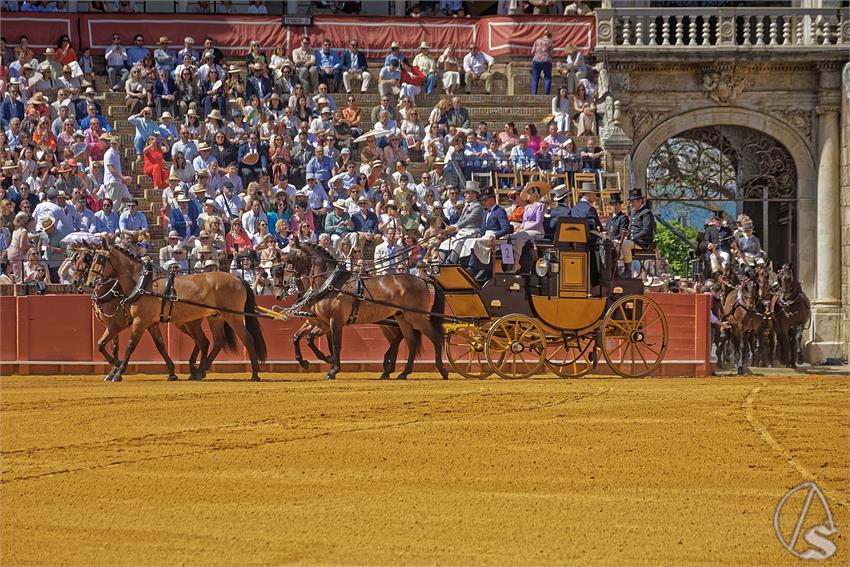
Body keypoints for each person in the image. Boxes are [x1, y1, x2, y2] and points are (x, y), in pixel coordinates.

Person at [463, 187, 511, 277]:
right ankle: (464, 264)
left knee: (476, 242)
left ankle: (472, 267)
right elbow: (483, 228)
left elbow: (506, 228)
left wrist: (495, 236)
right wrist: (479, 235)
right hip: (485, 236)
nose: (483, 202)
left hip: (495, 238)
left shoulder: (500, 211)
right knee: (468, 241)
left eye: (485, 200)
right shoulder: (486, 212)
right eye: (482, 200)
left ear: (492, 199)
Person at [439, 180, 483, 264]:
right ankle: (440, 263)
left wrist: (455, 227)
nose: (465, 195)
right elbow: (461, 220)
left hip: (472, 232)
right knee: (444, 244)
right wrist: (451, 227)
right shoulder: (466, 205)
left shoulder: (478, 207)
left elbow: (469, 220)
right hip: (462, 231)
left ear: (474, 194)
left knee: (458, 242)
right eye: (465, 193)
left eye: (467, 193)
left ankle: (450, 263)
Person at [620, 188, 656, 278]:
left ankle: (628, 271)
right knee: (617, 244)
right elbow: (632, 229)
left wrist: (633, 238)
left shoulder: (646, 213)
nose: (631, 204)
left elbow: (646, 230)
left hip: (643, 243)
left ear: (640, 201)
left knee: (625, 244)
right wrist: (627, 235)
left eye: (633, 201)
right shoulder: (634, 213)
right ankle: (618, 270)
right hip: (635, 241)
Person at [508, 185, 545, 271]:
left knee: (519, 236)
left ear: (535, 194)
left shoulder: (540, 205)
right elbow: (524, 222)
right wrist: (520, 229)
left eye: (529, 192)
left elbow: (538, 222)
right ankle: (509, 263)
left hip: (537, 231)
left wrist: (524, 230)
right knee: (509, 237)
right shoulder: (527, 207)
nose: (527, 194)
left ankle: (516, 264)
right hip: (525, 230)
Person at [530, 30, 554, 96]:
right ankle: (546, 95)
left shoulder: (537, 40)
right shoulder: (550, 41)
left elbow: (532, 51)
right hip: (546, 61)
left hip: (536, 61)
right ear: (550, 36)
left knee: (535, 78)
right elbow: (551, 53)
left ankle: (534, 95)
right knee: (547, 78)